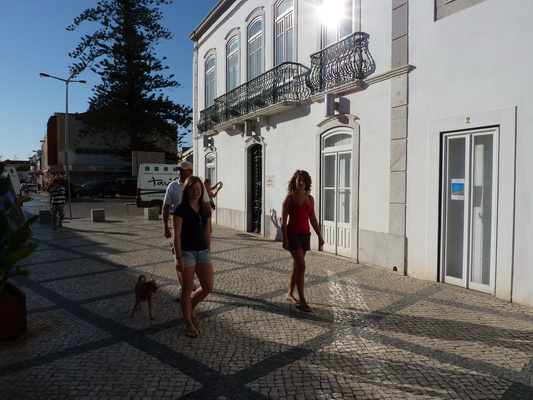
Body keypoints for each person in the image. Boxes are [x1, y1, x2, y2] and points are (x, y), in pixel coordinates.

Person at [172, 176, 214, 338]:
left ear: (202, 191)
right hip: (186, 253)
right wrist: (179, 257)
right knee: (187, 289)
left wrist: (208, 251)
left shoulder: (205, 208)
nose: (195, 192)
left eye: (198, 189)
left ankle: (190, 308)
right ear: (187, 190)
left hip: (203, 252)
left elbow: (207, 232)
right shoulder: (180, 209)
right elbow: (176, 234)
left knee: (208, 286)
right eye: (192, 189)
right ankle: (188, 323)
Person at [162, 161, 209, 302]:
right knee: (179, 260)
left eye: (183, 170)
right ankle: (184, 288)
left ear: (190, 171)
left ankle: (188, 290)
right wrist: (165, 226)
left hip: (195, 231)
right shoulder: (172, 186)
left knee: (197, 266)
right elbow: (166, 207)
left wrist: (207, 230)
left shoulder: (198, 186)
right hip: (179, 231)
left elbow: (206, 206)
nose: (180, 172)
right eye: (179, 170)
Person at [281, 170, 324, 313]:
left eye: (303, 180)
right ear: (294, 181)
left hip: (305, 235)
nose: (301, 182)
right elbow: (283, 221)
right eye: (299, 180)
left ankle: (290, 293)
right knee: (302, 265)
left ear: (307, 182)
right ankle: (303, 300)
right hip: (292, 235)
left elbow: (312, 218)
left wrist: (319, 235)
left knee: (296, 266)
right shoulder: (289, 198)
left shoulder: (310, 198)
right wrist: (285, 239)